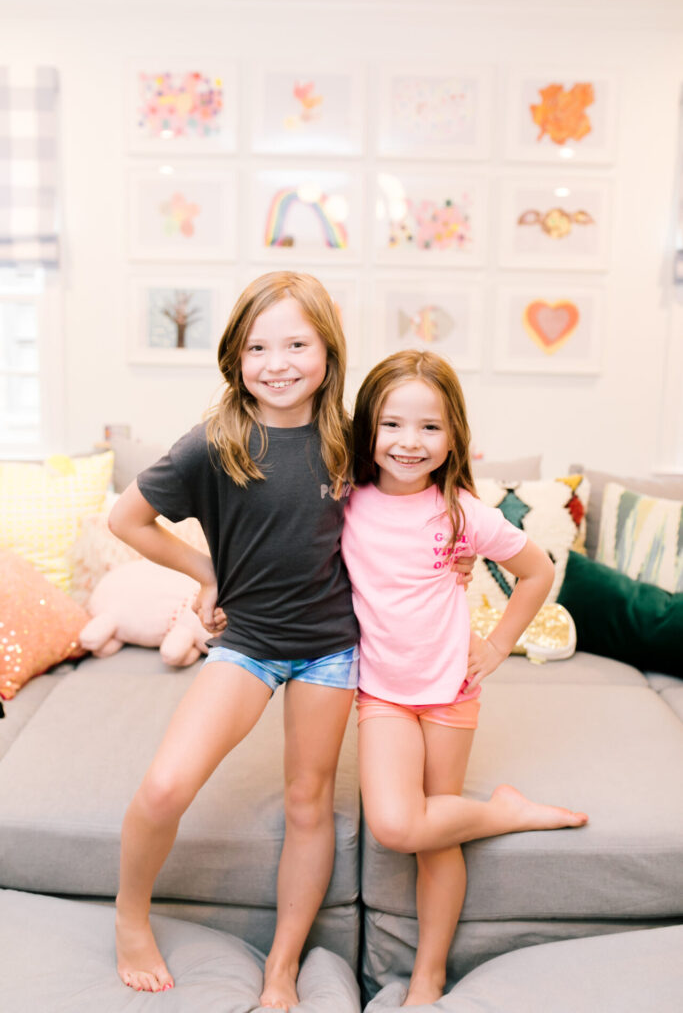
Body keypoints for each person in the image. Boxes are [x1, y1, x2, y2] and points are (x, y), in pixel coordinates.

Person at [108, 273, 473, 1007]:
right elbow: (127, 520)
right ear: (233, 357)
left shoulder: (351, 440)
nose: (277, 362)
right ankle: (129, 919)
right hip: (246, 640)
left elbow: (418, 494)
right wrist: (205, 570)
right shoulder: (213, 442)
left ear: (327, 351)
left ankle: (281, 965)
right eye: (257, 346)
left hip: (333, 648)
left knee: (308, 802)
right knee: (166, 784)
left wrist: (455, 554)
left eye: (296, 344)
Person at [341, 350, 589, 1007]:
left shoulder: (462, 513)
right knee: (399, 824)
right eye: (391, 424)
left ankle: (428, 976)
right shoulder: (342, 503)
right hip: (383, 693)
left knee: (432, 838)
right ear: (366, 426)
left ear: (453, 436)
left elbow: (536, 572)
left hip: (451, 691)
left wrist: (500, 643)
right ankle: (501, 813)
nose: (408, 442)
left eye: (429, 427)